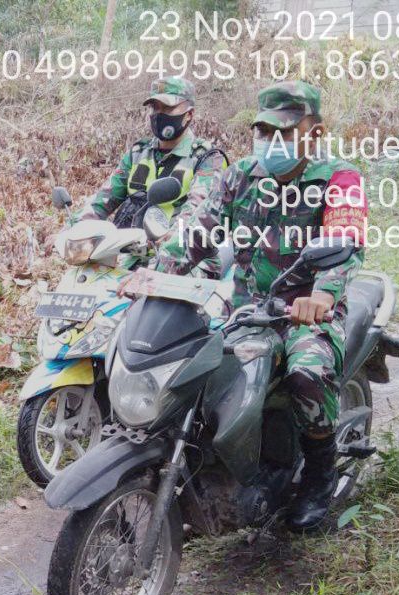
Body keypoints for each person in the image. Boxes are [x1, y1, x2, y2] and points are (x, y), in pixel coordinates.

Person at [150, 80, 368, 531]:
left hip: (307, 313)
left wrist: (322, 295)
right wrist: (153, 273)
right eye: (265, 131)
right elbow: (199, 230)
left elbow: (345, 241)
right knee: (190, 370)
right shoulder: (242, 174)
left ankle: (319, 476)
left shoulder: (339, 178)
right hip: (247, 310)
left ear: (315, 132)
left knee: (306, 375)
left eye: (285, 132)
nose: (272, 143)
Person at [71, 76, 226, 230]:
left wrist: (169, 242)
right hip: (126, 246)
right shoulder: (138, 153)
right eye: (155, 107)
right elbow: (102, 200)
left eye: (167, 108)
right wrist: (71, 231)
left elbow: (197, 214)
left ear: (189, 114)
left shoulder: (207, 158)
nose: (159, 114)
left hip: (175, 250)